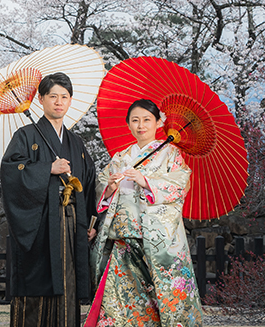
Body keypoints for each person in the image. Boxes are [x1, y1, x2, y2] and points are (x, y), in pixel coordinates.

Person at [86, 99, 203, 327]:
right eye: (135, 120)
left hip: (154, 240)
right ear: (128, 125)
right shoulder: (120, 157)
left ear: (159, 123)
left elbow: (180, 185)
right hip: (122, 239)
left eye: (147, 120)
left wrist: (147, 181)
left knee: (159, 300)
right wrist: (109, 189)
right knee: (118, 303)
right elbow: (101, 188)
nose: (141, 125)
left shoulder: (170, 154)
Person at [1, 72, 99, 327]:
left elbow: (88, 182)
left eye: (64, 97)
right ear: (41, 99)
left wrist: (90, 222)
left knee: (67, 281)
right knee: (38, 281)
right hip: (40, 222)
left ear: (70, 101)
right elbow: (11, 173)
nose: (58, 102)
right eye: (53, 96)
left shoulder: (76, 142)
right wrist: (47, 168)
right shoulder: (25, 136)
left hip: (71, 221)